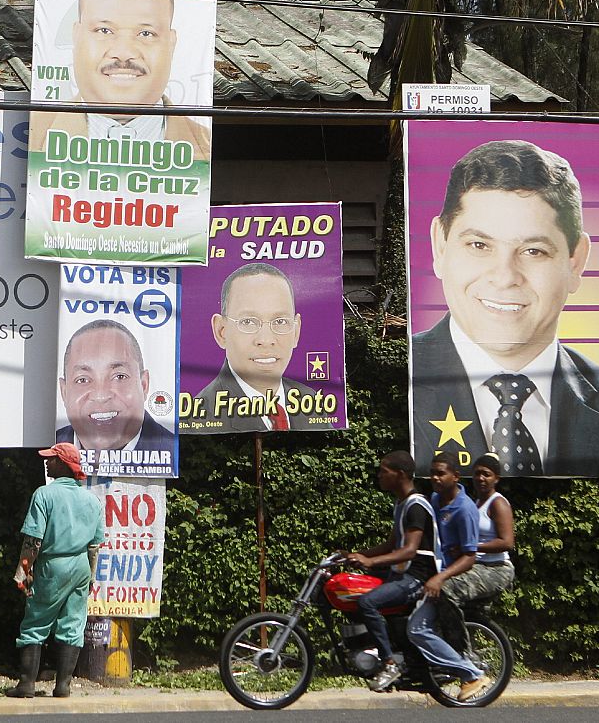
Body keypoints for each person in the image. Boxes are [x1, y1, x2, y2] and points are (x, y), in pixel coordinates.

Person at [411, 139, 599, 476]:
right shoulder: (384, 382)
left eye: (533, 251)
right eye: (479, 245)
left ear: (576, 261)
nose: (504, 277)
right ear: (440, 245)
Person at [28, 0, 211, 158]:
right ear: (76, 35)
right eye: (104, 30)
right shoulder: (34, 135)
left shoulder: (205, 145)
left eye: (146, 33)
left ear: (171, 43)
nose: (123, 53)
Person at [9, 442, 105, 699]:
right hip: (81, 566)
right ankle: (63, 686)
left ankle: (27, 685)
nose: (47, 462)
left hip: (53, 566)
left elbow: (33, 541)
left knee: (35, 623)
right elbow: (95, 545)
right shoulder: (92, 500)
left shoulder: (44, 494)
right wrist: (91, 577)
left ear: (63, 464)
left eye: (51, 459)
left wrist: (23, 573)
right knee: (73, 625)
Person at [342, 450, 435, 692]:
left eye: (385, 471)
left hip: (417, 576)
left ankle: (389, 662)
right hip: (401, 572)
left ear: (401, 474)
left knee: (367, 603)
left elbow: (409, 550)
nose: (379, 475)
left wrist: (371, 562)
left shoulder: (417, 506)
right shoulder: (401, 503)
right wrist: (356, 555)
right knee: (355, 586)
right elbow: (390, 545)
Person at [190, 263, 324, 432]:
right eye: (248, 322)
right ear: (221, 331)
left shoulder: (312, 403)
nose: (266, 340)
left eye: (280, 322)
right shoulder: (200, 417)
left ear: (296, 331)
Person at [407, 455, 493, 703]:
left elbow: (469, 557)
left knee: (417, 629)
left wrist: (441, 578)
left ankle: (471, 674)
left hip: (449, 576)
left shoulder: (464, 509)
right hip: (432, 571)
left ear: (455, 476)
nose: (435, 478)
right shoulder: (435, 499)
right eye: (432, 473)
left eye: (441, 473)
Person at [55, 319, 172, 453]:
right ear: (64, 392)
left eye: (119, 377)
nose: (101, 396)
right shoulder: (52, 447)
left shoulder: (169, 452)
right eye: (82, 380)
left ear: (144, 385)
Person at [443, 453, 516, 605]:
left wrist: (470, 547)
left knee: (446, 588)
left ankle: (453, 629)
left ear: (496, 479)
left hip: (496, 568)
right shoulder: (474, 503)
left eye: (486, 474)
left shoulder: (498, 503)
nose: (481, 478)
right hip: (475, 564)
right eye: (477, 473)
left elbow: (507, 542)